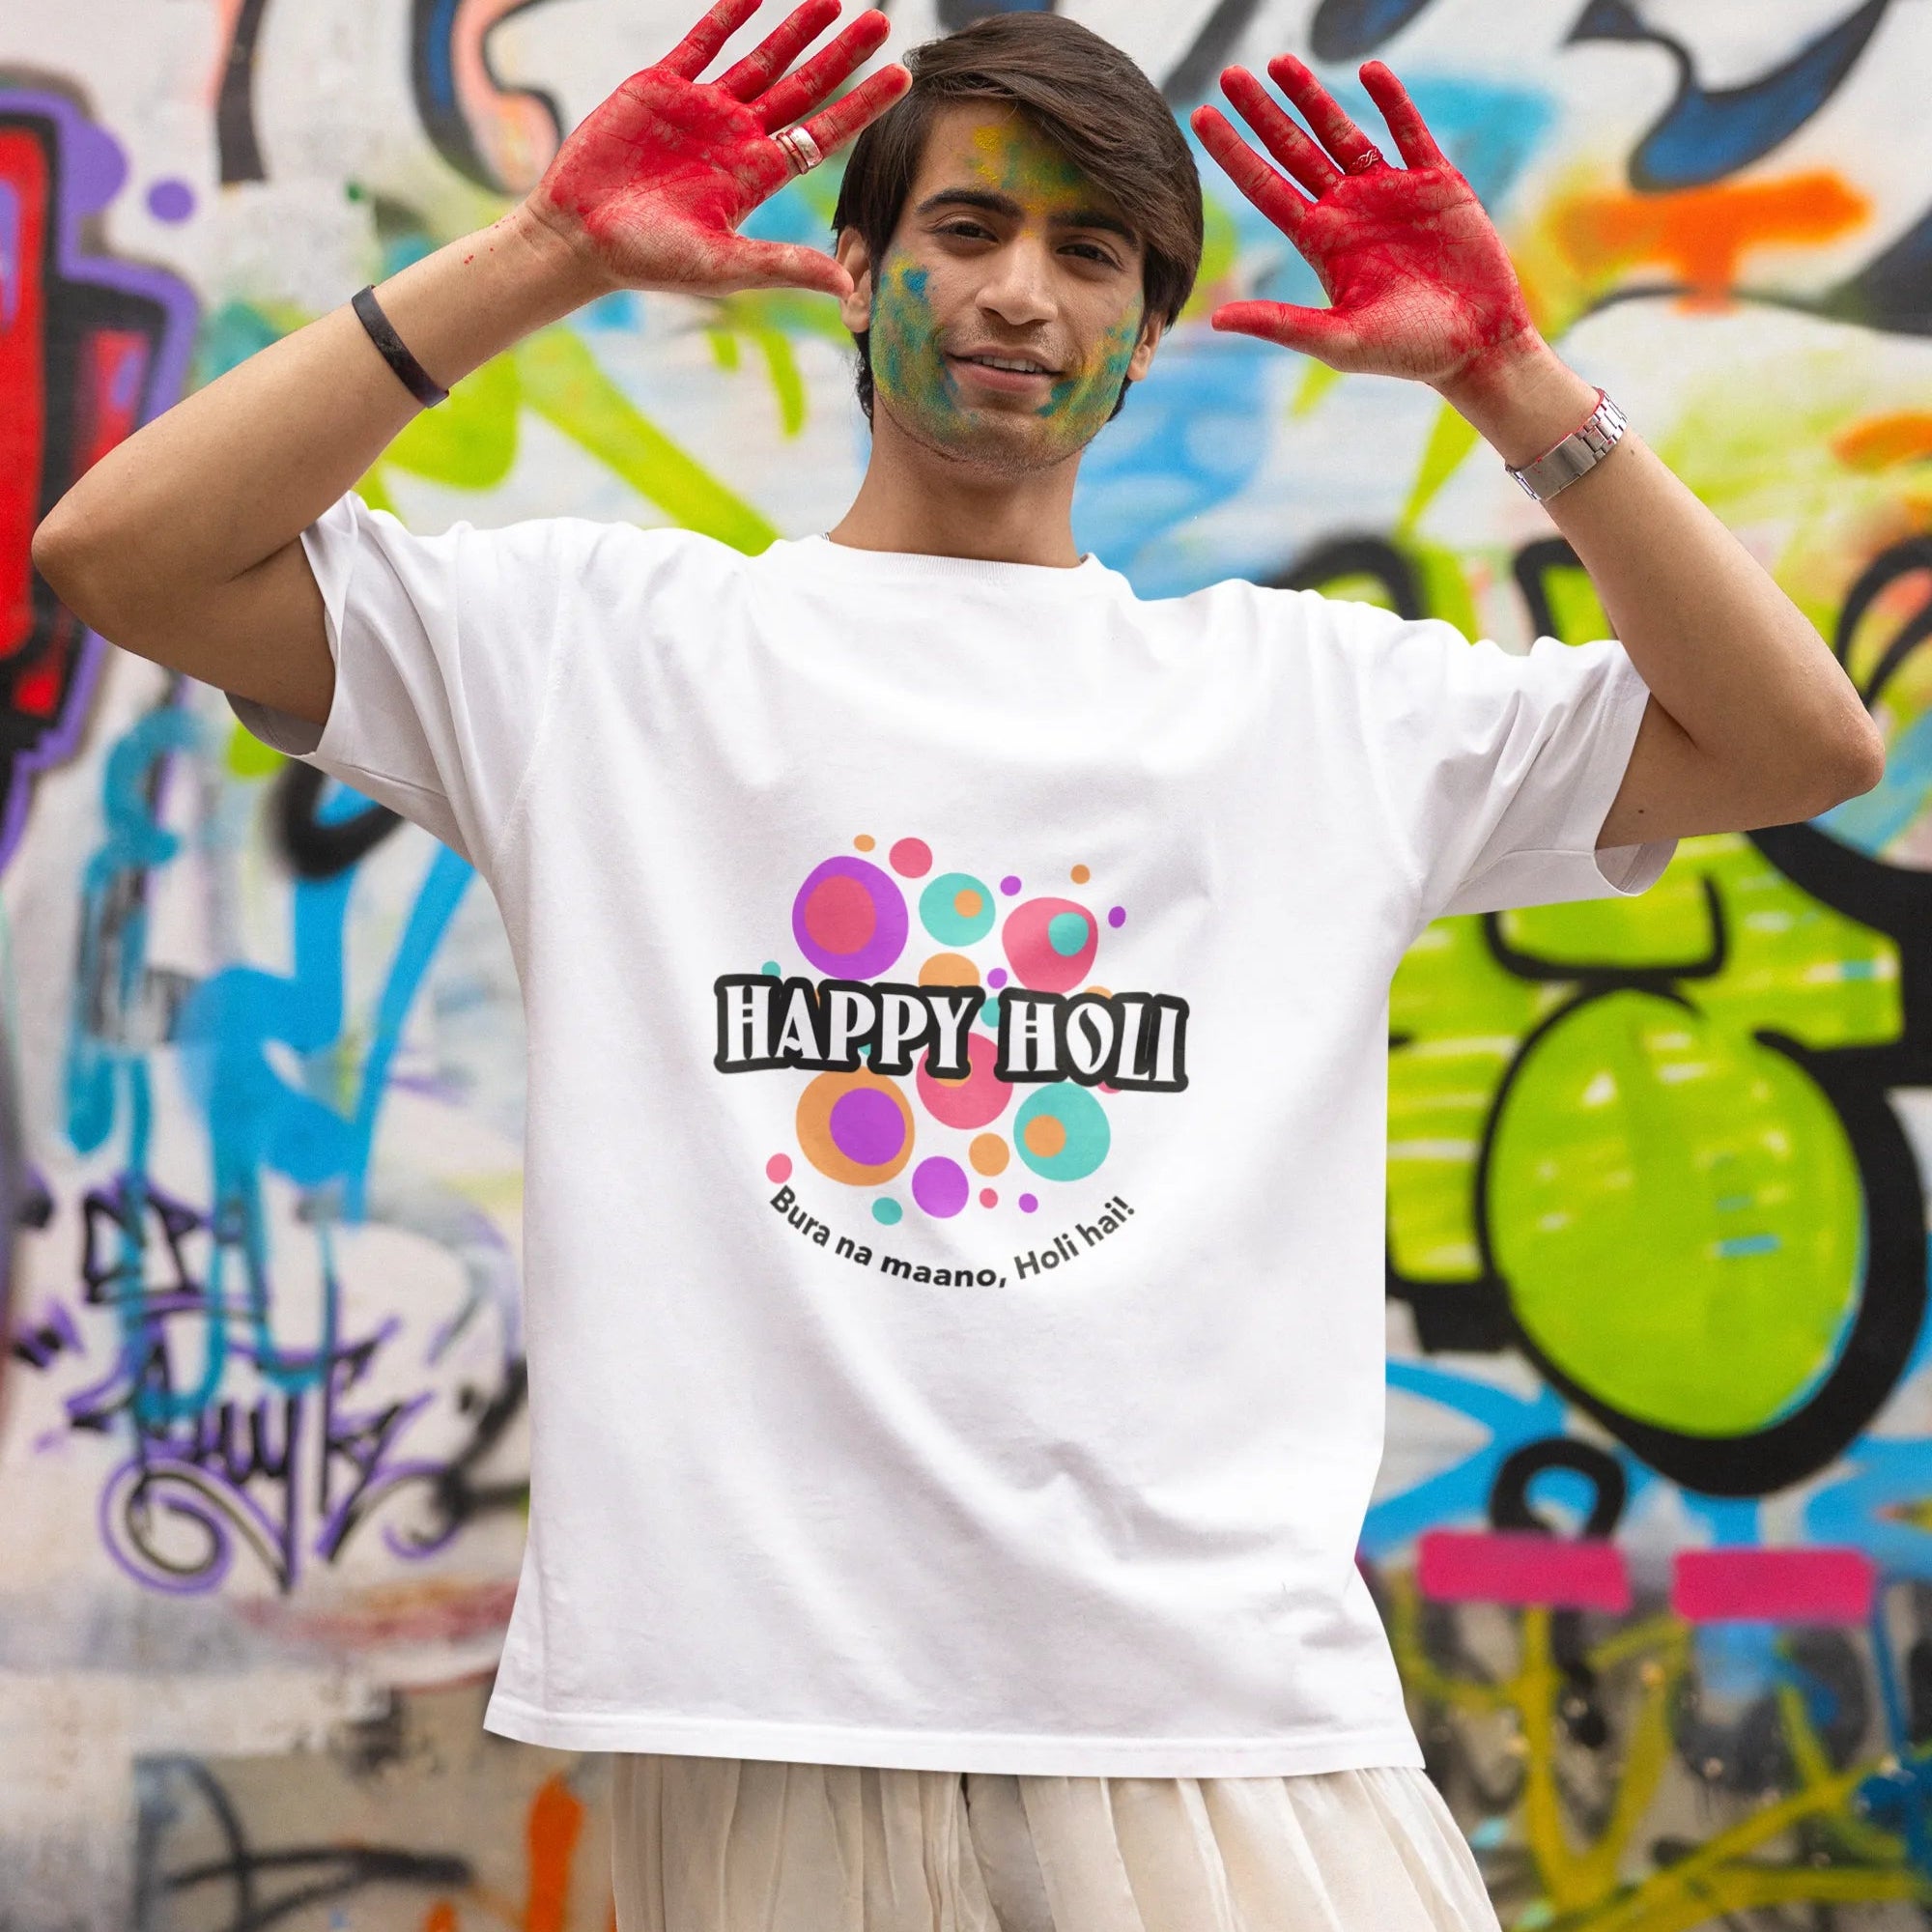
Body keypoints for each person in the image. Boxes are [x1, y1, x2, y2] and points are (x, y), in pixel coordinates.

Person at [33, 2, 1882, 1926]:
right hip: (757, 1728)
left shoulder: (1310, 700)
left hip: (1221, 1732)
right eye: (966, 232)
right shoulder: (604, 647)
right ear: (855, 268)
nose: (1021, 292)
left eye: (1090, 255)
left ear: (1146, 332)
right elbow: (125, 555)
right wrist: (549, 254)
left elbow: (1796, 744)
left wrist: (1511, 379)